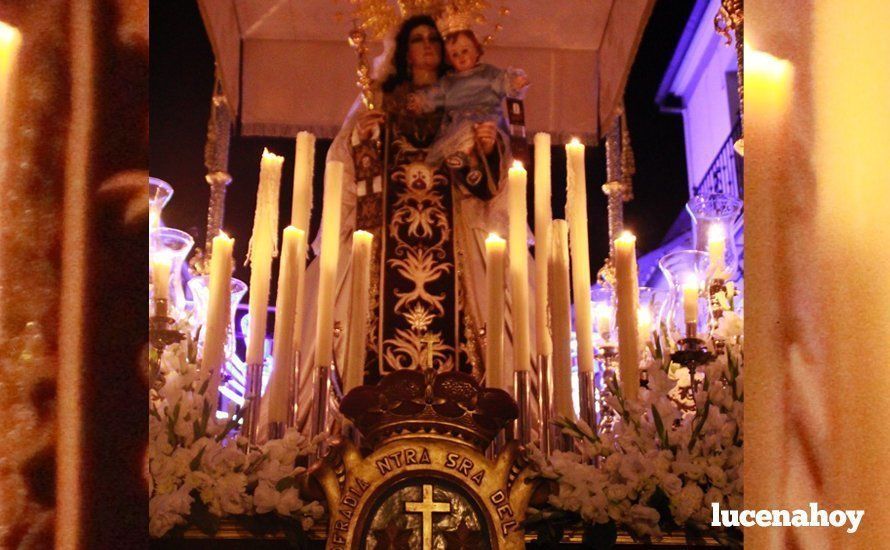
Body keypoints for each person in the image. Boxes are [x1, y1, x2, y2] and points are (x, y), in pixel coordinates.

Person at [294, 15, 536, 425]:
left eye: (432, 40)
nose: (426, 46)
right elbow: (344, 169)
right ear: (404, 50)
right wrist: (361, 138)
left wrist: (487, 147)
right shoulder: (379, 102)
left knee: (484, 329)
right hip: (385, 239)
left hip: (454, 239)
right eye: (417, 39)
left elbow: (489, 184)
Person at [406, 29, 529, 165]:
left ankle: (478, 158)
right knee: (464, 133)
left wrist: (515, 82)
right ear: (449, 59)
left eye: (464, 51)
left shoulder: (488, 73)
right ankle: (466, 160)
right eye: (454, 55)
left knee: (484, 134)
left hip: (488, 119)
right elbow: (434, 94)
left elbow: (504, 82)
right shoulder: (448, 82)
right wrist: (420, 101)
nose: (461, 57)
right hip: (460, 123)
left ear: (476, 51)